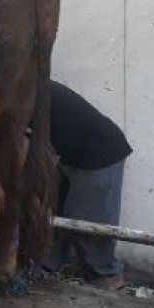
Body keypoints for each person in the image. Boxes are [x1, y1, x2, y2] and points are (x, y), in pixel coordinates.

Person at [43, 80, 133, 289]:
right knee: (56, 213)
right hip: (72, 156)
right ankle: (46, 265)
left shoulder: (25, 89)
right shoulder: (32, 84)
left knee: (89, 222)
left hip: (99, 154)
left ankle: (107, 278)